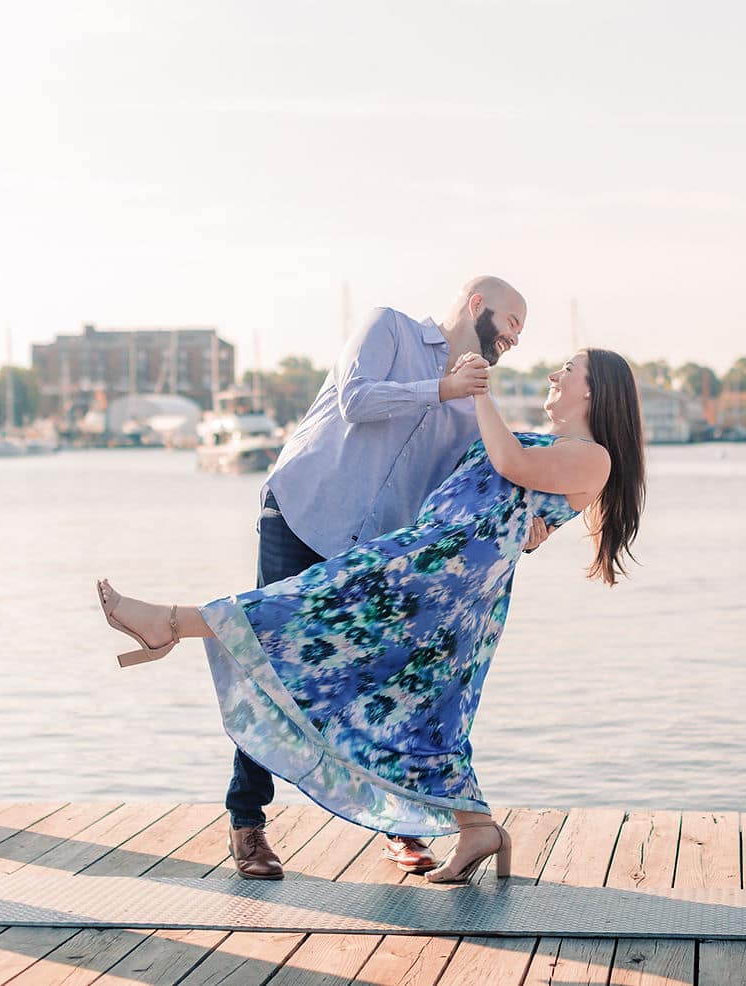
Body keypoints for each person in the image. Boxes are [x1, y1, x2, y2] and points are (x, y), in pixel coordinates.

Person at [97, 348, 646, 883]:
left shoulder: (593, 457)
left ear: (593, 390)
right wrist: (524, 526)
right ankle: (476, 826)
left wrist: (478, 393)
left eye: (568, 370)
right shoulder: (553, 444)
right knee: (427, 705)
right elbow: (502, 493)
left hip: (440, 581)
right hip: (429, 566)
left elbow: (510, 464)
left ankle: (169, 622)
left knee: (310, 604)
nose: (554, 373)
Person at [209, 276, 548, 880]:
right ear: (477, 306)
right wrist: (444, 388)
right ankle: (248, 824)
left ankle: (402, 826)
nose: (517, 338)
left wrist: (528, 518)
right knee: (266, 665)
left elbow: (479, 478)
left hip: (374, 551)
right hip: (302, 510)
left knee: (387, 681)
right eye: (513, 323)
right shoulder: (387, 326)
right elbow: (356, 400)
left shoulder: (478, 402)